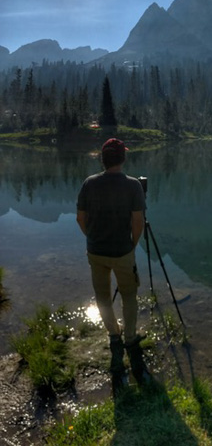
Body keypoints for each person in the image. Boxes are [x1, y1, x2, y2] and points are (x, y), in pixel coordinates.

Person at [76, 137, 149, 391]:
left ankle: (113, 334)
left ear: (103, 159)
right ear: (123, 159)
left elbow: (80, 218)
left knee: (102, 296)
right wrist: (133, 244)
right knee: (129, 295)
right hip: (122, 252)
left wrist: (91, 238)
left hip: (96, 251)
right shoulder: (133, 187)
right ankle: (130, 338)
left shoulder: (89, 183)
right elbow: (138, 222)